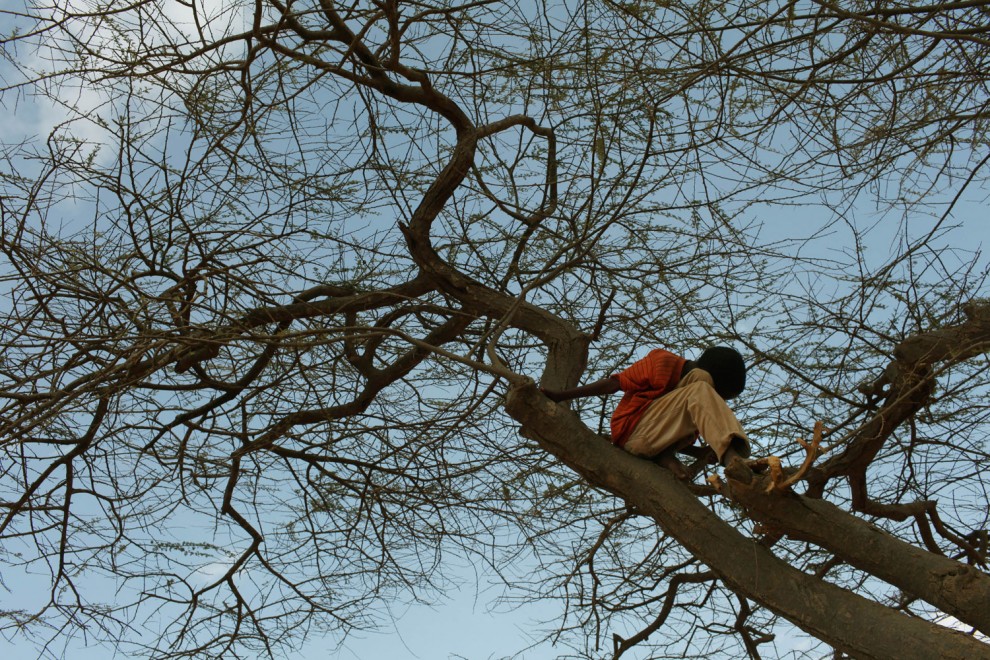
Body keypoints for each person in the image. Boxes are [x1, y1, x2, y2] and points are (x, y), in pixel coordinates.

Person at [540, 347, 751, 477]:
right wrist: (561, 396)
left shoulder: (692, 398)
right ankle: (733, 458)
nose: (716, 400)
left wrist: (699, 453)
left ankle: (665, 457)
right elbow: (613, 384)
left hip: (654, 441)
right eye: (719, 394)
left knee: (700, 393)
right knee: (700, 385)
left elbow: (671, 428)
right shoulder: (663, 363)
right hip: (631, 430)